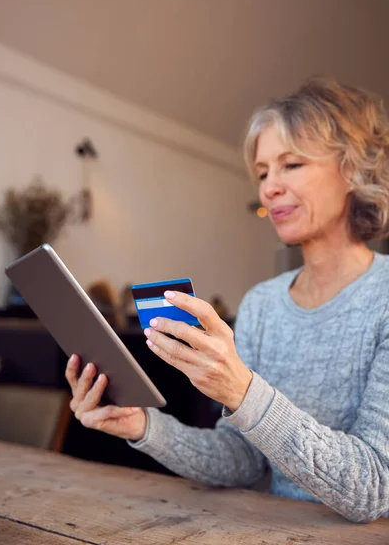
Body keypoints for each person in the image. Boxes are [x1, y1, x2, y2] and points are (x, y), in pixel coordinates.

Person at [66, 77, 389, 523]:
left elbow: (373, 489)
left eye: (291, 164)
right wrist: (142, 426)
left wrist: (242, 391)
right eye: (261, 172)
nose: (269, 188)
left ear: (353, 169)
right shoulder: (261, 304)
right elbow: (242, 460)